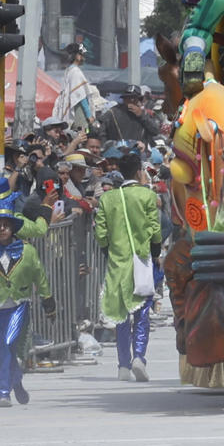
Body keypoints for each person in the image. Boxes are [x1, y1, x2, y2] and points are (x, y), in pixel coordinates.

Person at [0, 193, 55, 408]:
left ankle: (2, 392)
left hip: (17, 307)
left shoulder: (28, 251)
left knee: (7, 347)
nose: (2, 229)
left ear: (13, 227)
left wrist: (48, 301)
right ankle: (16, 382)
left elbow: (39, 276)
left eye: (6, 225)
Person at [96, 150, 163, 382]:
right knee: (142, 310)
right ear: (138, 171)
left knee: (121, 312)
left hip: (117, 261)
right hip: (142, 260)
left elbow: (101, 234)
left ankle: (123, 364)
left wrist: (109, 251)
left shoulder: (107, 198)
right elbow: (155, 229)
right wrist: (155, 253)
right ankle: (139, 358)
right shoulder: (147, 196)